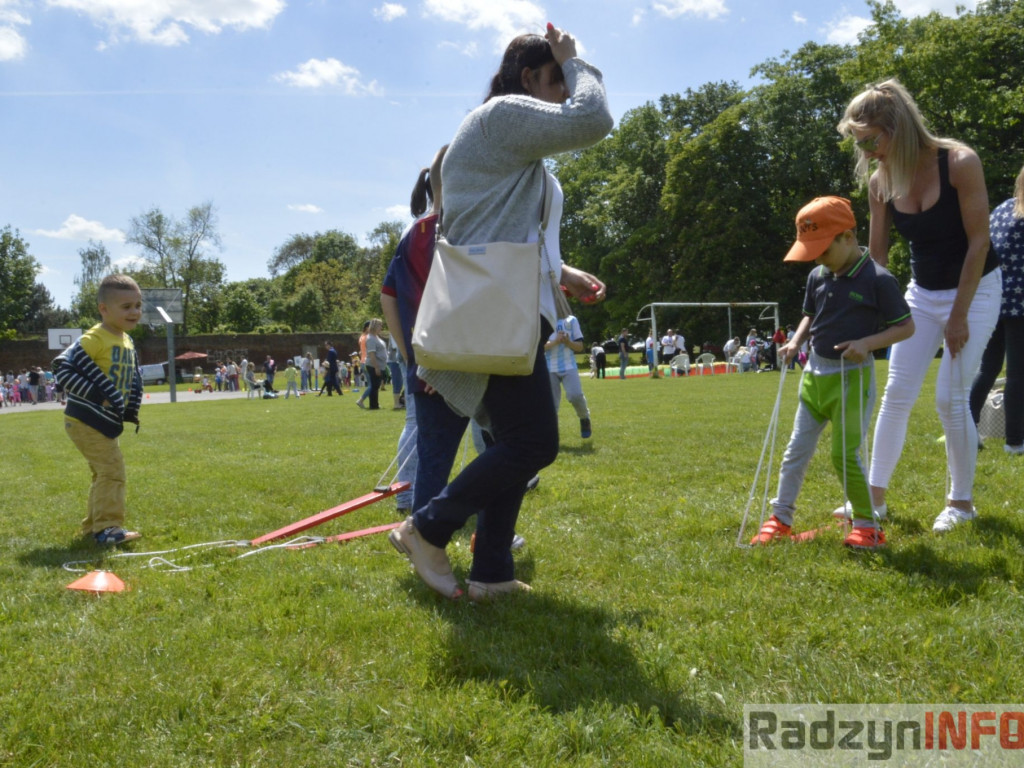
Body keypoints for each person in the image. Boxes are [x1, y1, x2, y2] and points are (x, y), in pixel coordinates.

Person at [389, 23, 612, 602]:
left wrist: (563, 275)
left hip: (507, 309)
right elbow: (594, 121)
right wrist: (578, 59)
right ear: (527, 77)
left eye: (567, 79)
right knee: (533, 442)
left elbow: (507, 233)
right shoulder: (503, 115)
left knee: (517, 439)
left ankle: (490, 571)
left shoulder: (513, 142)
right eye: (556, 79)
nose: (565, 91)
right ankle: (427, 527)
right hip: (494, 311)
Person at [838, 79, 1001, 532]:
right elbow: (877, 257)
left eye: (871, 140)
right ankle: (873, 500)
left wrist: (959, 316)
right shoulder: (880, 182)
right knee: (896, 394)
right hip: (922, 293)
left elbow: (979, 242)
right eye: (860, 144)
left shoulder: (960, 162)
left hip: (977, 287)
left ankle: (961, 504)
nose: (868, 152)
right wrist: (869, 316)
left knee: (950, 398)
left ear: (898, 127)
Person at [751, 197, 914, 550]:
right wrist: (795, 341)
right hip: (814, 377)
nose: (817, 258)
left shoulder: (879, 280)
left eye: (823, 249)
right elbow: (811, 315)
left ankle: (868, 525)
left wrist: (868, 343)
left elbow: (906, 327)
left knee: (844, 454)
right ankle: (780, 518)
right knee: (795, 450)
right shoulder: (818, 275)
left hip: (851, 381)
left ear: (849, 237)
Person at [53, 274, 145, 545]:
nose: (134, 312)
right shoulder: (95, 337)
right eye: (126, 306)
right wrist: (98, 396)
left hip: (102, 421)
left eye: (138, 305)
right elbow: (62, 368)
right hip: (85, 419)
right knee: (112, 471)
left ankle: (94, 527)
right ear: (104, 309)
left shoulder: (126, 340)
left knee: (102, 472)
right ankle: (108, 529)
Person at [969, 161, 1024, 455]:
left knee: (988, 367)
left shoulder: (1002, 209)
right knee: (1018, 374)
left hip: (995, 298)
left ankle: (968, 429)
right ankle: (1015, 441)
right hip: (1021, 304)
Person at [545, 314, 592, 438]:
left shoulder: (571, 320)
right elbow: (539, 347)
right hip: (549, 368)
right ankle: (551, 435)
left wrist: (567, 341)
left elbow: (579, 347)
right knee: (551, 404)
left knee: (575, 395)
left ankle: (584, 418)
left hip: (569, 366)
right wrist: (555, 342)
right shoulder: (544, 318)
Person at [358, 319, 387, 410]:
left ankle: (375, 404)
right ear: (374, 326)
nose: (381, 327)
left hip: (380, 364)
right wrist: (376, 367)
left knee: (376, 385)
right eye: (379, 326)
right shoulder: (370, 338)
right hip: (373, 364)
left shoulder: (376, 337)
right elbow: (372, 354)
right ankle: (373, 405)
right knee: (374, 385)